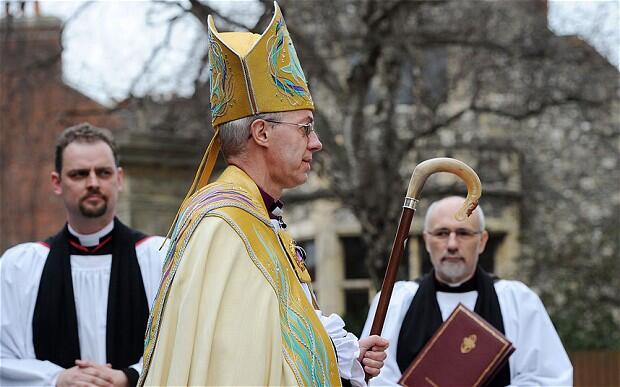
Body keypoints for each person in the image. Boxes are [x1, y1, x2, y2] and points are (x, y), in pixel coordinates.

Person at [139, 3, 388, 386]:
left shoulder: (255, 218)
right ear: (262, 133)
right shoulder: (224, 226)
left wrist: (345, 354)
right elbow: (239, 365)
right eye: (305, 128)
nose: (317, 143)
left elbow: (272, 338)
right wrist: (335, 353)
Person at [0, 123, 166, 387]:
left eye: (103, 173)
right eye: (79, 174)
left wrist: (131, 376)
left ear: (119, 178)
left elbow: (186, 345)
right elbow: (3, 357)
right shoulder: (20, 267)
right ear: (57, 182)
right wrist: (55, 379)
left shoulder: (159, 257)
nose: (93, 183)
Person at [362, 196, 573, 386]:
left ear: (482, 241)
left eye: (463, 233)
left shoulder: (518, 302)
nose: (452, 244)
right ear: (427, 240)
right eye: (442, 233)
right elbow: (374, 379)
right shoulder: (395, 301)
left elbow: (549, 379)